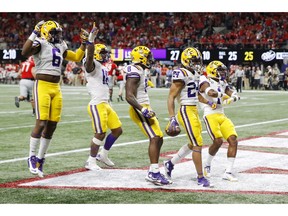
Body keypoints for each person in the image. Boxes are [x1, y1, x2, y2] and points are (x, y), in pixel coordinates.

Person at [21, 20, 89, 177]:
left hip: (56, 88)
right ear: (45, 33)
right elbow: (25, 52)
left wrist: (84, 43)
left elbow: (77, 56)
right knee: (41, 121)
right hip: (43, 86)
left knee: (52, 125)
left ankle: (40, 158)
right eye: (54, 33)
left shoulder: (60, 45)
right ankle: (31, 156)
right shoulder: (40, 42)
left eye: (58, 33)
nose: (58, 35)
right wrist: (34, 33)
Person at [163, 47, 214, 187]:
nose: (197, 63)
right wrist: (172, 117)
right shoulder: (181, 73)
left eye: (198, 60)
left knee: (193, 143)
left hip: (194, 110)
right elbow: (171, 97)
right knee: (197, 144)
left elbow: (196, 95)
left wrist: (208, 102)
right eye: (194, 60)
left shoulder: (195, 73)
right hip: (185, 110)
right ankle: (200, 177)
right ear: (186, 60)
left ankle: (170, 163)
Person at [124, 45, 172, 186]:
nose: (150, 59)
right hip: (139, 109)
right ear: (140, 57)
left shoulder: (140, 70)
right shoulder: (134, 71)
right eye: (148, 57)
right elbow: (129, 95)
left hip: (145, 107)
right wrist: (142, 109)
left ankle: (154, 170)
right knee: (155, 137)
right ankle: (154, 173)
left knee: (159, 137)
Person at [83, 23, 123, 171]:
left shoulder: (103, 66)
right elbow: (88, 61)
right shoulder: (91, 64)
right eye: (103, 53)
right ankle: (90, 161)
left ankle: (103, 155)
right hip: (97, 104)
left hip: (105, 103)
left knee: (117, 130)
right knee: (100, 133)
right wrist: (91, 39)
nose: (106, 55)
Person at [199, 60, 240, 182]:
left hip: (221, 114)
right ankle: (207, 164)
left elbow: (229, 91)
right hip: (210, 114)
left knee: (233, 139)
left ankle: (228, 172)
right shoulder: (204, 79)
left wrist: (234, 95)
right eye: (220, 70)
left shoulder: (222, 81)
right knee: (218, 141)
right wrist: (225, 97)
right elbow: (210, 92)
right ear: (212, 70)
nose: (222, 73)